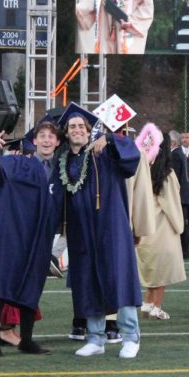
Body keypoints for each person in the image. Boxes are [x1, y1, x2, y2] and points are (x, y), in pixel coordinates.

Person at [58, 103, 144, 359]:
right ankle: (96, 338)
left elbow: (131, 158)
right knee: (87, 281)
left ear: (88, 131)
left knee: (118, 278)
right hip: (81, 231)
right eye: (71, 127)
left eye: (81, 127)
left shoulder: (102, 153)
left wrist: (109, 138)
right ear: (66, 133)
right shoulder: (64, 161)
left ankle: (131, 337)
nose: (76, 130)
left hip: (110, 226)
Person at [0, 120, 62, 357]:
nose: (47, 140)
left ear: (57, 143)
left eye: (51, 137)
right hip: (14, 232)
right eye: (42, 136)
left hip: (40, 235)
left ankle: (26, 339)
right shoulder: (16, 162)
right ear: (34, 141)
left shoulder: (60, 170)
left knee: (33, 285)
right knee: (0, 284)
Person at [135, 124, 186, 320]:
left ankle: (147, 303)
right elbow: (172, 204)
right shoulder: (166, 175)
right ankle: (156, 306)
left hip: (145, 227)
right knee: (162, 270)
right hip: (163, 229)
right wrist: (180, 226)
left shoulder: (143, 170)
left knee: (151, 269)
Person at [169, 130, 189, 260]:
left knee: (181, 223)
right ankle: (184, 250)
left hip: (179, 195)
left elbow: (175, 177)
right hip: (183, 195)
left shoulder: (175, 155)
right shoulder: (180, 154)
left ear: (172, 143)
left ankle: (184, 251)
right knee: (183, 222)